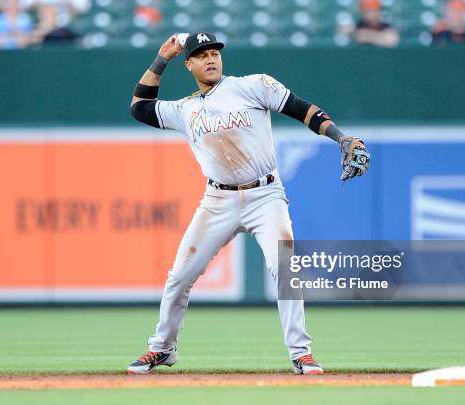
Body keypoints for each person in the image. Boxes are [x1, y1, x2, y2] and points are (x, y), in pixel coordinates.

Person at [125, 32, 370, 375]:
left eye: (215, 52)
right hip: (217, 199)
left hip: (265, 195)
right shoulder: (186, 109)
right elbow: (139, 108)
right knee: (180, 276)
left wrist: (340, 136)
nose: (211, 58)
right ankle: (162, 348)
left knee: (286, 268)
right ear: (190, 63)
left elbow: (304, 111)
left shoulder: (252, 85)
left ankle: (301, 354)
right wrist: (161, 58)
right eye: (202, 54)